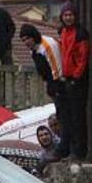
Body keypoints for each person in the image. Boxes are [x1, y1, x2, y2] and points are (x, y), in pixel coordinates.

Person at [20, 24, 65, 153]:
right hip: (51, 83)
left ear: (33, 37)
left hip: (60, 83)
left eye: (27, 39)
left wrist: (56, 85)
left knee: (64, 116)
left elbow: (57, 68)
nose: (26, 42)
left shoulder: (47, 46)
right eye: (23, 40)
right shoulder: (34, 50)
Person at [58, 2, 90, 160]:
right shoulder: (62, 32)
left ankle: (79, 150)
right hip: (66, 78)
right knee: (68, 117)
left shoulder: (80, 33)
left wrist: (76, 77)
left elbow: (82, 58)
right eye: (66, 15)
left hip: (77, 80)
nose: (68, 18)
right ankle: (71, 148)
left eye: (70, 15)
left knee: (78, 117)